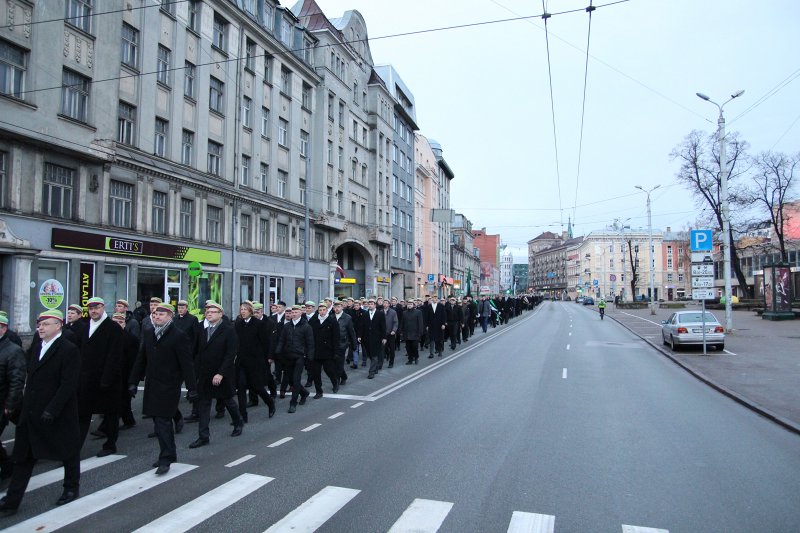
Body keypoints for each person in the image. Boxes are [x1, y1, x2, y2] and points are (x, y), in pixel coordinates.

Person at [0, 310, 81, 515]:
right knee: (23, 457)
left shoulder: (68, 349)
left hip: (56, 412)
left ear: (58, 325)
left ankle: (71, 488)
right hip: (32, 410)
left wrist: (52, 409)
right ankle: (11, 501)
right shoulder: (37, 346)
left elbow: (68, 384)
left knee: (67, 453)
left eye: (46, 324)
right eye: (39, 324)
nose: (41, 328)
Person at [129, 303, 197, 475]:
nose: (156, 316)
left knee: (163, 421)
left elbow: (187, 363)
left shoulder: (178, 336)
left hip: (169, 385)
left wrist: (191, 388)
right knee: (158, 422)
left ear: (170, 316)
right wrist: (133, 382)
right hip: (152, 384)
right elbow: (141, 359)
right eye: (154, 314)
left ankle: (166, 458)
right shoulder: (149, 333)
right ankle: (167, 453)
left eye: (161, 314)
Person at [190, 302, 243, 448]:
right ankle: (203, 436)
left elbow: (230, 354)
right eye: (207, 311)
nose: (209, 313)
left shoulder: (228, 330)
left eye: (213, 311)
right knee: (204, 404)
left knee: (227, 400)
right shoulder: (201, 328)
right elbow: (195, 351)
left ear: (220, 314)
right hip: (204, 373)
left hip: (221, 373)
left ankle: (238, 422)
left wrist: (221, 373)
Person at [77, 297, 124, 458]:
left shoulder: (113, 328)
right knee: (82, 414)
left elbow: (114, 356)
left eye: (96, 307)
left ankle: (110, 444)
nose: (93, 311)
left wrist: (106, 379)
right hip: (86, 379)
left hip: (107, 381)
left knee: (110, 414)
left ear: (103, 307)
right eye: (90, 308)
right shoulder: (84, 328)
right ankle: (74, 449)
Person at [234, 302, 275, 423]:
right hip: (241, 361)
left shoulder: (259, 324)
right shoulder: (238, 324)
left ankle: (270, 403)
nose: (243, 311)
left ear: (250, 311)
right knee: (241, 388)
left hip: (255, 361)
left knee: (257, 387)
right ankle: (242, 415)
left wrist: (267, 358)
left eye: (245, 309)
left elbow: (265, 343)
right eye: (241, 309)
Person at [274, 305, 313, 413]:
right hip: (287, 357)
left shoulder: (306, 327)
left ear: (301, 313)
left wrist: (309, 358)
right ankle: (304, 393)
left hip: (300, 357)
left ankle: (293, 403)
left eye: (296, 312)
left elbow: (310, 344)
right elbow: (281, 340)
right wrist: (278, 351)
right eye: (292, 312)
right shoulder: (287, 327)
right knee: (291, 380)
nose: (294, 314)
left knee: (296, 380)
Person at [0, 314, 25, 480]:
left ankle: (8, 466)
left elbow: (17, 381)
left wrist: (9, 405)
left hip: (2, 402)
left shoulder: (12, 350)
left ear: (3, 328)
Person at [308, 301, 340, 398]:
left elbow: (336, 338)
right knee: (316, 373)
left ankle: (335, 383)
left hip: (328, 351)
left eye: (324, 310)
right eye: (320, 310)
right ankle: (319, 391)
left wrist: (335, 352)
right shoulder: (313, 321)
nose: (322, 312)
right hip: (316, 351)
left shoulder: (332, 321)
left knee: (329, 370)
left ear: (327, 310)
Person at [358, 299, 386, 379]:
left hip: (377, 337)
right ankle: (376, 367)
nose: (370, 305)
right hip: (366, 338)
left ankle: (371, 372)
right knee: (370, 354)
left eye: (371, 304)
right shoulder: (365, 314)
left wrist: (384, 337)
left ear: (375, 305)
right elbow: (361, 326)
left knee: (374, 355)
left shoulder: (380, 314)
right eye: (369, 304)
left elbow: (383, 326)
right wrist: (359, 336)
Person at [332, 300, 357, 387]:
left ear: (342, 307)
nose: (337, 309)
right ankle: (344, 376)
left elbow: (351, 332)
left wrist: (354, 344)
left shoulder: (347, 317)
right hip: (333, 344)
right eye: (335, 307)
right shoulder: (331, 317)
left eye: (338, 307)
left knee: (339, 362)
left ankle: (336, 381)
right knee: (334, 363)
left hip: (343, 344)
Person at [401, 300, 424, 365]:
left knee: (414, 347)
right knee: (408, 348)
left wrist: (420, 332)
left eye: (411, 304)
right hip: (407, 333)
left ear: (413, 305)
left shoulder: (418, 312)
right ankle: (410, 359)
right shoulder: (404, 313)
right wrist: (401, 332)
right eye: (408, 304)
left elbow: (420, 323)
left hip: (415, 333)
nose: (409, 305)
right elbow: (402, 323)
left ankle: (416, 357)